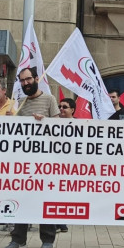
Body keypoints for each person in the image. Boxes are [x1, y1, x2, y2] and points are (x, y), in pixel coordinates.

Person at [3, 67, 60, 248]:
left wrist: (45, 122)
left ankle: (48, 239)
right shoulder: (21, 102)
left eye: (28, 79)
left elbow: (59, 129)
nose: (25, 83)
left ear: (37, 79)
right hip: (23, 162)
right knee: (20, 198)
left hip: (45, 162)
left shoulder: (50, 99)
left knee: (45, 199)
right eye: (22, 80)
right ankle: (18, 239)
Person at [54, 97, 76, 233]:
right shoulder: (52, 123)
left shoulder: (80, 126)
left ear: (72, 110)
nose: (61, 109)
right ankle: (58, 222)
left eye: (65, 107)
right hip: (55, 166)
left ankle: (62, 221)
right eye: (60, 106)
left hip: (71, 167)